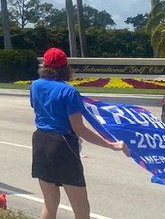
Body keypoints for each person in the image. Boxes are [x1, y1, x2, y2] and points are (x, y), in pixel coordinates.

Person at [30, 48, 126, 219]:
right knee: (81, 208)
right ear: (65, 67)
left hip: (40, 141)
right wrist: (111, 144)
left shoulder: (35, 86)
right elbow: (79, 128)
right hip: (62, 144)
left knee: (50, 204)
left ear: (44, 65)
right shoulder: (69, 92)